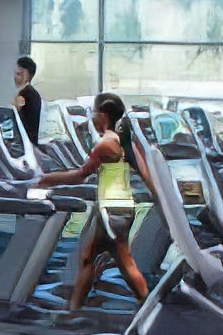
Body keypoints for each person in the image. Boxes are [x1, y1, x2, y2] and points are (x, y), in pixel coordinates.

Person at [37, 92, 151, 311]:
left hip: (111, 211)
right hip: (118, 208)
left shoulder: (106, 144)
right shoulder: (125, 142)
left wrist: (45, 179)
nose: (91, 117)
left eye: (94, 112)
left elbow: (80, 175)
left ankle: (147, 304)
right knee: (89, 258)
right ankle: (74, 309)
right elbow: (146, 174)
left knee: (123, 262)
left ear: (104, 116)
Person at [12, 56, 43, 143]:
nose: (14, 77)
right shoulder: (33, 93)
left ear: (25, 76)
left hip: (24, 142)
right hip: (31, 141)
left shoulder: (24, 94)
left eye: (18, 73)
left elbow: (15, 116)